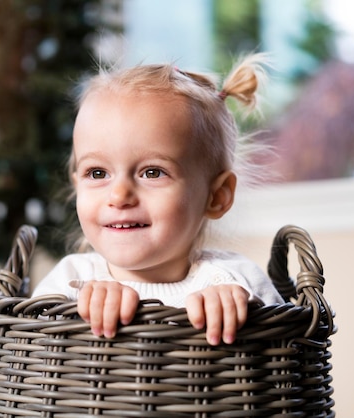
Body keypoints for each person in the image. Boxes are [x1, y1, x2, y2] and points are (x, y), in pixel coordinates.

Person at [32, 54, 284, 345]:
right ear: (77, 185)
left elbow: (283, 348)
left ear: (217, 196)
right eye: (97, 172)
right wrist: (76, 313)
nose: (119, 195)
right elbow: (29, 354)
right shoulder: (71, 280)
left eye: (152, 172)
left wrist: (240, 310)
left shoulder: (233, 280)